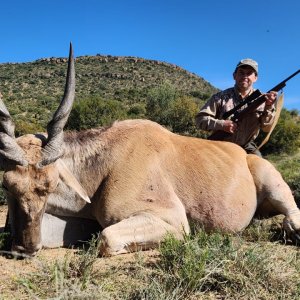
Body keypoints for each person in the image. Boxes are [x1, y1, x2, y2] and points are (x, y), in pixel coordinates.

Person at [195, 58, 278, 156]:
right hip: (219, 145)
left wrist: (269, 106)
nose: (245, 76)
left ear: (256, 78)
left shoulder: (265, 101)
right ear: (234, 76)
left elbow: (267, 128)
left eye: (249, 73)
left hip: (247, 147)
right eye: (241, 73)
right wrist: (221, 125)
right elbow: (200, 120)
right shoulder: (219, 97)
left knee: (262, 168)